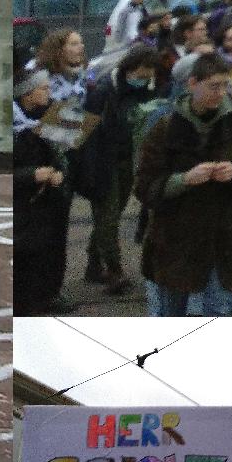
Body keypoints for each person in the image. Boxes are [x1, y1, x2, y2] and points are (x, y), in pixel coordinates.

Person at [134, 52, 232, 316]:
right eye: (214, 86)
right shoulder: (165, 126)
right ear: (192, 84)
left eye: (225, 86)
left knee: (218, 310)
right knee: (173, 315)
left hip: (226, 234)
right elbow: (144, 185)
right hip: (176, 239)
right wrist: (183, 180)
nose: (221, 93)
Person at [74, 45, 158, 295]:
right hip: (102, 160)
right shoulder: (104, 90)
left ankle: (93, 263)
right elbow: (87, 130)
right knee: (108, 216)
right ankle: (114, 270)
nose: (145, 80)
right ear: (131, 68)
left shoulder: (143, 92)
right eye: (142, 75)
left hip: (125, 159)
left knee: (110, 215)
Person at [13, 70, 72, 316]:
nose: (50, 93)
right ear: (27, 94)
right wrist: (31, 175)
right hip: (25, 205)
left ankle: (48, 295)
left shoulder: (55, 114)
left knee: (52, 252)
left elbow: (69, 154)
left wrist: (61, 174)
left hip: (52, 200)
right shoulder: (14, 125)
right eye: (44, 89)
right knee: (27, 258)